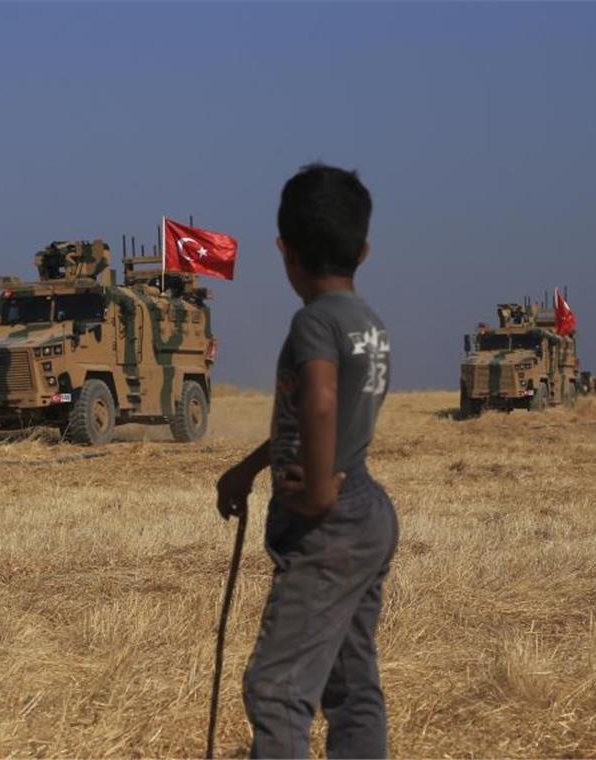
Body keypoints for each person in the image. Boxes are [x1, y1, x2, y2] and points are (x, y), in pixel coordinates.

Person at [216, 163, 399, 758]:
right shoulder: (370, 325)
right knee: (350, 684)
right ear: (364, 250)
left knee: (276, 690)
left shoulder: (313, 323)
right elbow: (324, 414)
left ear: (285, 251)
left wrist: (317, 492)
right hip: (367, 511)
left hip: (329, 520)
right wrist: (251, 467)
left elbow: (319, 399)